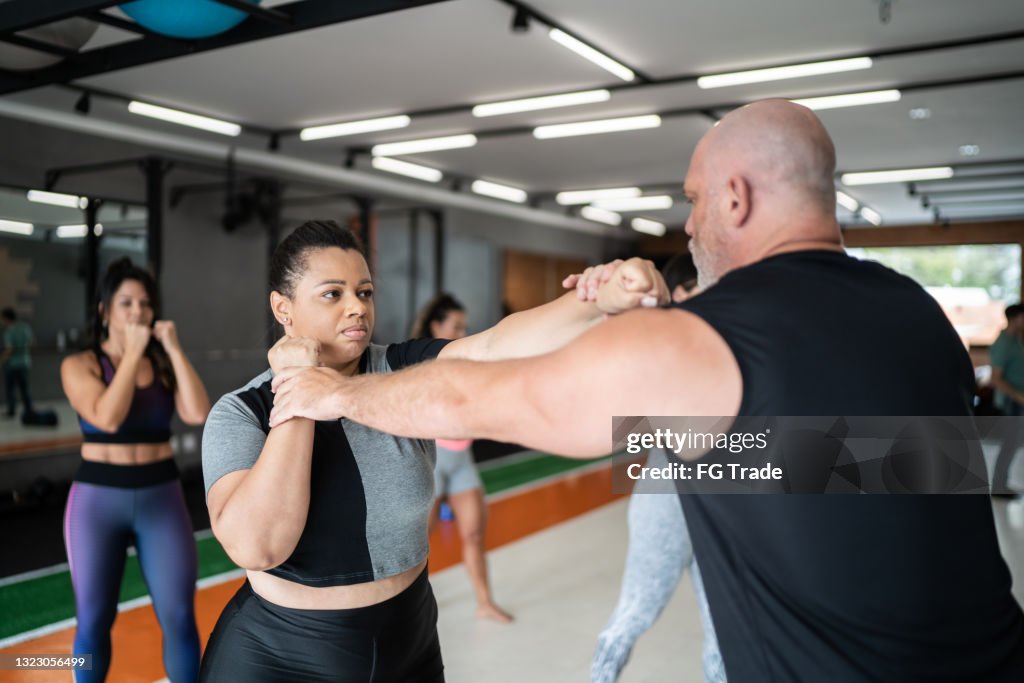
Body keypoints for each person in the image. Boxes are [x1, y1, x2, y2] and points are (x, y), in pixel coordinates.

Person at [269, 100, 1024, 682]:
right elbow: (856, 466)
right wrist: (624, 323)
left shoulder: (707, 338)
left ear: (735, 198)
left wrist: (333, 395)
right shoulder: (917, 313)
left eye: (694, 199)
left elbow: (474, 398)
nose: (687, 223)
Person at [199, 220, 659, 682]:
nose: (357, 308)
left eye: (365, 292)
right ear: (283, 308)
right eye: (332, 294)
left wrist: (598, 298)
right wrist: (296, 390)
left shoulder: (402, 370)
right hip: (282, 657)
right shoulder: (242, 413)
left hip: (409, 638)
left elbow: (495, 346)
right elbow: (257, 547)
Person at [60, 258, 210, 683]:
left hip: (161, 495)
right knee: (93, 618)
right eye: (125, 303)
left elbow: (197, 412)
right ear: (105, 311)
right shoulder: (80, 364)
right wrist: (130, 353)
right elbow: (107, 417)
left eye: (145, 304)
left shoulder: (161, 362)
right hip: (96, 501)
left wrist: (174, 349)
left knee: (180, 615)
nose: (137, 313)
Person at [590, 254, 725, 683]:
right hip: (666, 497)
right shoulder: (659, 343)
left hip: (723, 499)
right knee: (636, 612)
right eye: (693, 289)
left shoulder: (726, 340)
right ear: (678, 293)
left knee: (725, 627)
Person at [411, 293, 513, 623]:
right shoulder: (419, 363)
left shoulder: (466, 360)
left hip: (462, 460)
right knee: (418, 544)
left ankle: (485, 602)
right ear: (436, 326)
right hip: (433, 461)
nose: (462, 332)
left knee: (474, 534)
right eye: (456, 326)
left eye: (464, 326)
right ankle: (408, 610)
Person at [989, 303, 1024, 496]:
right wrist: (1018, 396)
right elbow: (996, 379)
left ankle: (1001, 484)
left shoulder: (1015, 340)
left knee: (1013, 443)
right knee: (1009, 444)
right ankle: (998, 486)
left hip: (1018, 402)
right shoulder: (1004, 344)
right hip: (1013, 403)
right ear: (1016, 318)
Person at [2, 306, 35, 418]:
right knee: (25, 389)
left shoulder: (10, 331)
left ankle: (11, 411)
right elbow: (31, 341)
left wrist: (1, 360)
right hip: (25, 362)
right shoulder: (25, 327)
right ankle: (29, 410)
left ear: (6, 318)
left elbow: (9, 350)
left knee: (10, 389)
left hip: (12, 364)